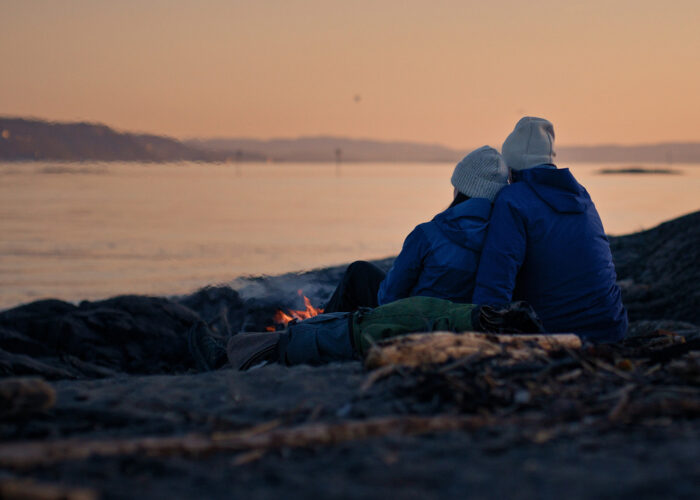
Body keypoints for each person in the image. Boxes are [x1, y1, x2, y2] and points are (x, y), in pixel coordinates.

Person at [472, 117, 628, 342]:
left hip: (557, 334)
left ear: (512, 167)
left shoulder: (513, 199)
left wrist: (482, 330)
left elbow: (496, 279)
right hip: (612, 327)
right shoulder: (580, 194)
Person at [324, 145, 509, 313]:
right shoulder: (503, 239)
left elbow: (387, 297)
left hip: (413, 322)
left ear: (460, 188)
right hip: (460, 326)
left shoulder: (428, 234)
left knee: (359, 272)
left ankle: (318, 331)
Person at [189, 296, 544, 371]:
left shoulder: (459, 326)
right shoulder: (465, 320)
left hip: (354, 334)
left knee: (291, 338)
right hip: (359, 325)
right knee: (303, 330)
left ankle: (223, 357)